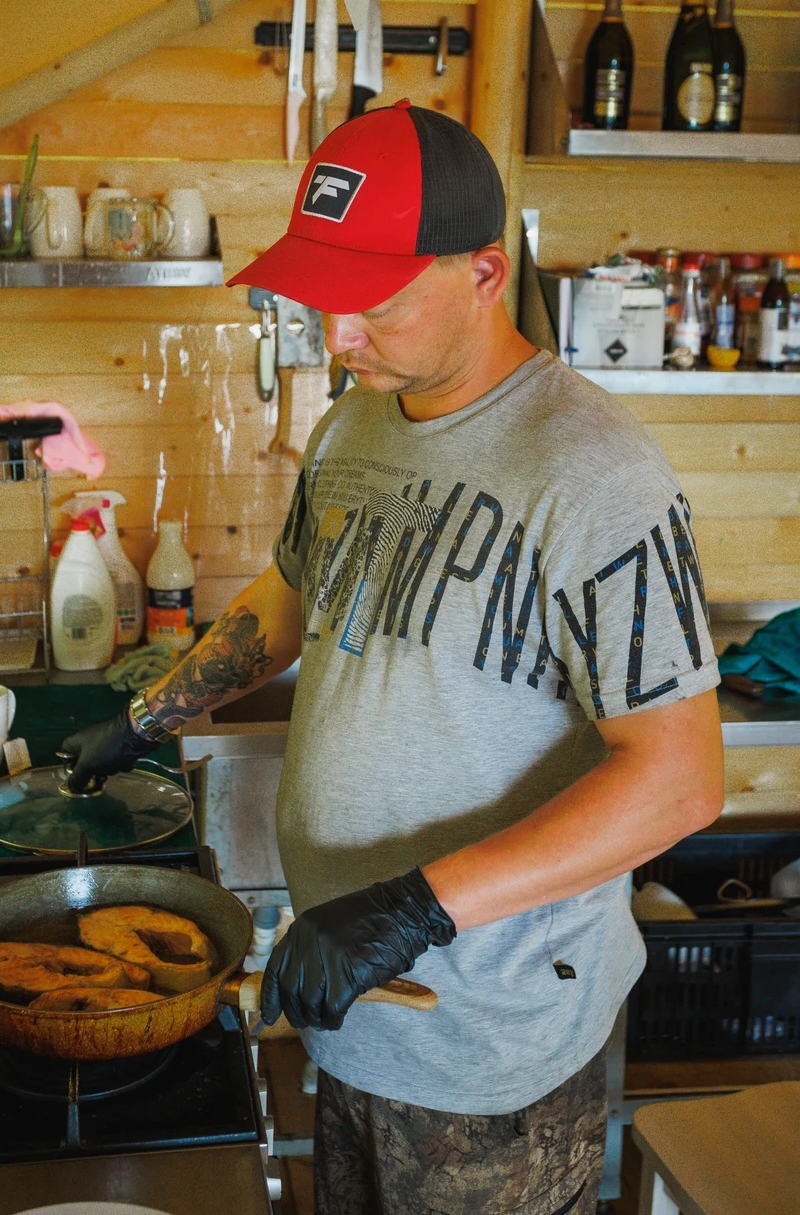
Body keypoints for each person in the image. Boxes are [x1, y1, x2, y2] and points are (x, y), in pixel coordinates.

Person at [61, 101, 724, 1215]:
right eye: (326, 298)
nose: (339, 337)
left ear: (482, 272)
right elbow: (287, 600)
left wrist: (409, 910)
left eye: (373, 301)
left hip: (489, 1045)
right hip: (359, 1014)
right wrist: (146, 716)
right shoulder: (358, 421)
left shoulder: (596, 475)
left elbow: (679, 780)